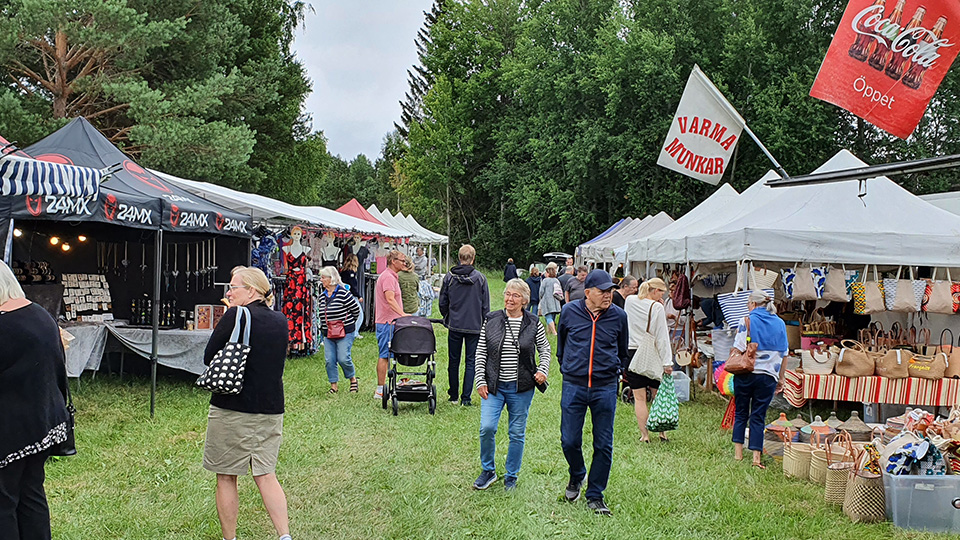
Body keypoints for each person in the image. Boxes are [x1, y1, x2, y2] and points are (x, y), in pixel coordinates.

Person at [202, 266, 293, 540]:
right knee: (266, 474)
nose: (229, 292)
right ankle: (284, 535)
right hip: (271, 407)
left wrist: (231, 313)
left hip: (232, 406)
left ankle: (230, 538)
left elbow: (209, 356)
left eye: (233, 287)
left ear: (251, 290)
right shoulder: (281, 320)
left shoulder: (235, 315)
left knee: (227, 475)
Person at [0, 260, 70, 540]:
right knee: (31, 494)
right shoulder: (40, 314)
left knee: (3, 502)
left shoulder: (5, 325)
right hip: (43, 421)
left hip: (10, 428)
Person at [557, 269, 628, 516]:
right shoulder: (569, 312)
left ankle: (595, 495)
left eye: (610, 291)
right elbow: (562, 345)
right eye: (603, 291)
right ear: (587, 293)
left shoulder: (619, 316)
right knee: (569, 439)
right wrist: (568, 367)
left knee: (603, 443)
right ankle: (577, 474)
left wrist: (615, 370)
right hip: (574, 384)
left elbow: (623, 350)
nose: (608, 295)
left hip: (605, 387)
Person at [472, 279, 551, 491]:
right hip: (493, 386)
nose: (510, 299)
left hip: (522, 388)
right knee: (487, 428)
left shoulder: (534, 323)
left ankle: (511, 476)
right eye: (508, 294)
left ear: (525, 300)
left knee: (516, 433)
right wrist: (480, 380)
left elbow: (545, 350)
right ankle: (488, 470)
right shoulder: (491, 320)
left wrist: (543, 369)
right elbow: (480, 352)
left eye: (516, 296)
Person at [732, 291, 789, 470]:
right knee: (758, 416)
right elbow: (784, 353)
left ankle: (738, 454)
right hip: (768, 377)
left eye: (748, 303)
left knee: (741, 412)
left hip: (745, 373)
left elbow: (738, 348)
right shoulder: (780, 323)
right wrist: (781, 378)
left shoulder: (747, 320)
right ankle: (756, 458)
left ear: (753, 304)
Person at [623, 278, 673, 443]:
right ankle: (662, 433)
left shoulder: (630, 301)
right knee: (658, 395)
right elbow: (662, 336)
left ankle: (645, 435)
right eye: (661, 292)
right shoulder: (657, 307)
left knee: (639, 397)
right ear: (655, 291)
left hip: (632, 352)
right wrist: (667, 362)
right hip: (652, 353)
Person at [439, 244, 490, 406]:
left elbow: (442, 301)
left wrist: (447, 315)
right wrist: (484, 322)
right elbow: (485, 305)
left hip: (454, 324)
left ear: (459, 258)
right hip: (474, 325)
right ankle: (465, 398)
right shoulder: (481, 279)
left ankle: (453, 395)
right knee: (471, 361)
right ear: (473, 258)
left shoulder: (449, 277)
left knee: (453, 361)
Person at [317, 266, 362, 394]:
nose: (321, 280)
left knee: (343, 358)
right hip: (328, 332)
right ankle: (334, 385)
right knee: (329, 360)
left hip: (345, 331)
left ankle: (353, 379)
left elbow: (356, 310)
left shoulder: (343, 293)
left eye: (323, 277)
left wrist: (347, 323)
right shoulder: (322, 296)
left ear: (331, 279)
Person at [374, 250, 406, 401]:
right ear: (394, 261)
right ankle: (380, 389)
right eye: (402, 260)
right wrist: (402, 314)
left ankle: (391, 385)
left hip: (391, 322)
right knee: (384, 355)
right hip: (387, 322)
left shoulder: (392, 276)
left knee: (391, 355)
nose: (405, 263)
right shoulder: (387, 277)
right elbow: (390, 299)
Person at [538, 263, 562, 335]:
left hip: (547, 302)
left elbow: (541, 291)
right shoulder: (556, 280)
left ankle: (554, 333)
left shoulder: (545, 281)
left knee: (548, 317)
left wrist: (541, 299)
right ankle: (549, 333)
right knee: (552, 318)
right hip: (556, 301)